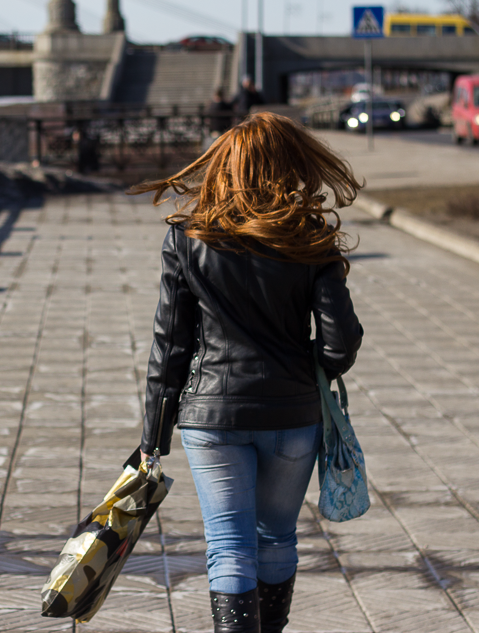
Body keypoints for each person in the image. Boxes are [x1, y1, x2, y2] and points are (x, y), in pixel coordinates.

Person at [130, 112, 364, 633]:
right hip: (292, 415)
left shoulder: (188, 238)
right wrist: (309, 369)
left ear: (224, 167)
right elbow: (340, 344)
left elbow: (169, 347)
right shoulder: (309, 238)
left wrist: (153, 437)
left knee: (229, 547)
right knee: (276, 538)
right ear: (289, 164)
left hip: (210, 419)